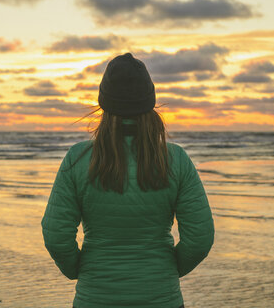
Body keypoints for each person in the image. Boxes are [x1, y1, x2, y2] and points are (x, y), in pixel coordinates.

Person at [41, 52, 215, 308]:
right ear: (149, 104)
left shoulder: (77, 159)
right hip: (161, 298)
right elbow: (200, 238)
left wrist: (76, 269)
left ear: (104, 105)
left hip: (95, 298)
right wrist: (165, 270)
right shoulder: (175, 159)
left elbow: (56, 235)